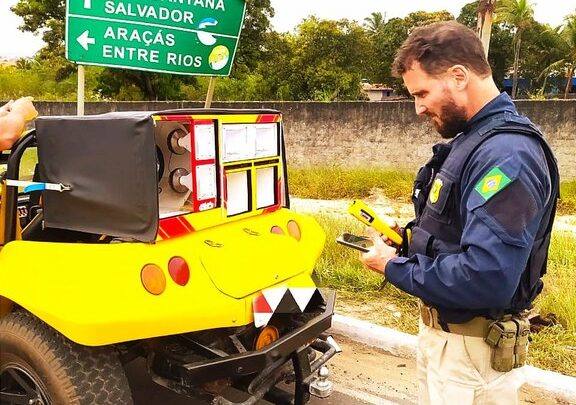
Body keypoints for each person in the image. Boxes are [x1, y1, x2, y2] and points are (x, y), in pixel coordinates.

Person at [359, 21, 559, 405]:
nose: (418, 108)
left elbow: (486, 278)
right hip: (450, 345)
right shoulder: (474, 140)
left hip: (474, 356)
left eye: (422, 93)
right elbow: (457, 233)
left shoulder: (507, 156)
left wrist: (391, 266)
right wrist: (409, 240)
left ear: (458, 76)